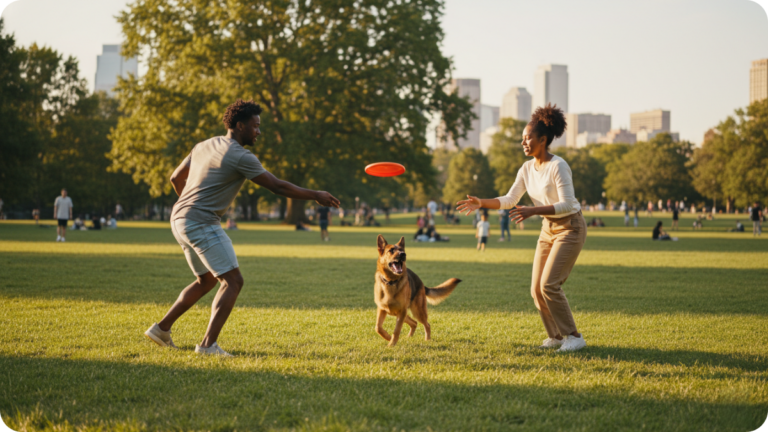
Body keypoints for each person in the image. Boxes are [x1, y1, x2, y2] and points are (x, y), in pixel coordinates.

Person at [144, 99, 340, 357]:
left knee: (206, 281)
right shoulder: (239, 155)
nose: (259, 131)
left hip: (178, 220)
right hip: (200, 221)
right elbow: (276, 186)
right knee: (233, 281)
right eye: (255, 126)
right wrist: (315, 194)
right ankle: (207, 346)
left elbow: (175, 177)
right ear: (239, 125)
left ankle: (161, 329)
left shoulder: (204, 145)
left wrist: (189, 204)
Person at [456, 103, 586, 352]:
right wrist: (481, 203)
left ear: (543, 139)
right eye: (522, 139)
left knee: (549, 284)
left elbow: (569, 204)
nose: (523, 143)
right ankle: (556, 337)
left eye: (528, 138)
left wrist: (534, 210)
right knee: (536, 289)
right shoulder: (527, 169)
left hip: (570, 227)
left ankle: (574, 336)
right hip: (548, 229)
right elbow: (510, 200)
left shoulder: (558, 166)